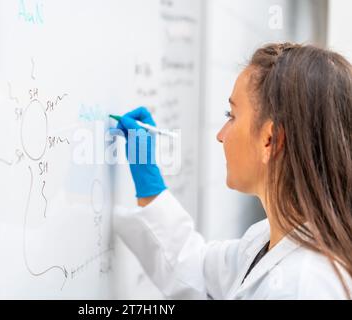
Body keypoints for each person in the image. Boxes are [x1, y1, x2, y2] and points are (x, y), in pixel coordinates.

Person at [112, 43, 352, 299]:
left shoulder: (306, 286)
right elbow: (195, 271)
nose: (220, 135)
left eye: (232, 115)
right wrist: (150, 184)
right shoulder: (266, 242)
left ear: (270, 140)